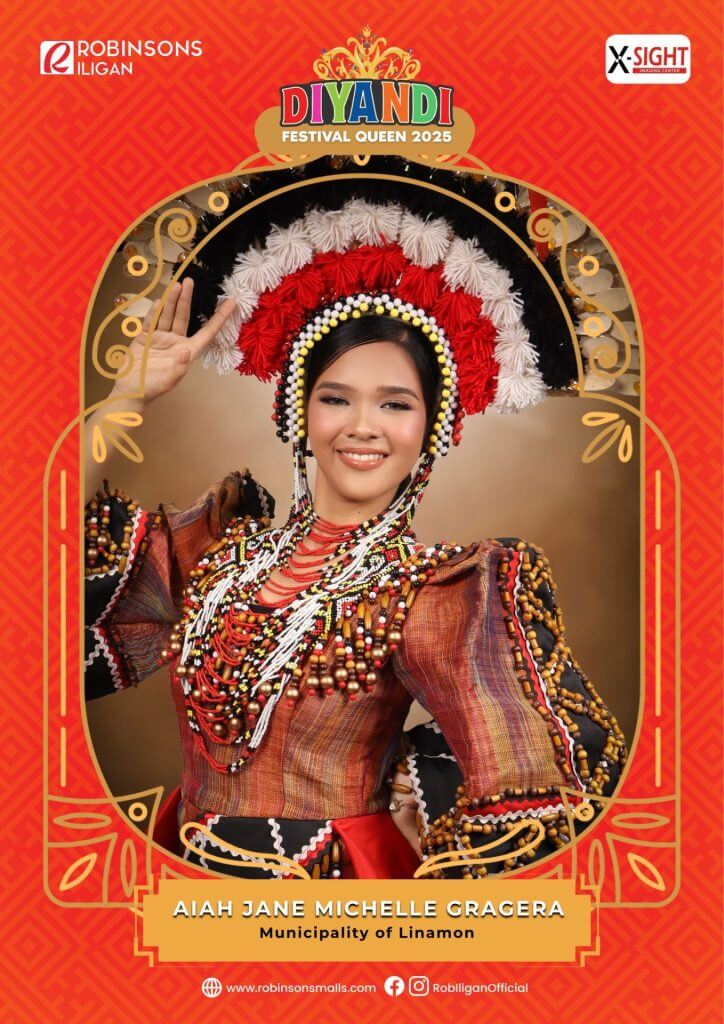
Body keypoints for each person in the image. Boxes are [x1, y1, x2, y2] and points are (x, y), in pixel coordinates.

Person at [84, 173, 629, 880]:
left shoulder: (436, 591)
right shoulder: (217, 550)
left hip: (330, 903)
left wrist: (419, 789)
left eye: (396, 404)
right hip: (179, 876)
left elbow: (542, 773)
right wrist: (122, 404)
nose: (363, 427)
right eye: (337, 397)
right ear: (298, 414)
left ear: (432, 429)